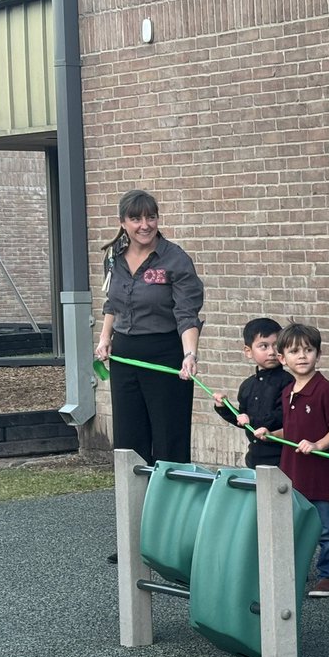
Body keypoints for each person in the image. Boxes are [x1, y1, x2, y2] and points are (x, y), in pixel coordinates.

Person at [95, 189, 204, 466]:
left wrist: (190, 355)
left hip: (165, 353)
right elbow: (112, 302)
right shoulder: (113, 257)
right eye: (136, 219)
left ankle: (171, 506)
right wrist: (105, 337)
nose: (145, 225)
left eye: (151, 217)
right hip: (125, 354)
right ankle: (135, 506)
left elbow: (187, 312)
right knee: (129, 438)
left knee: (169, 437)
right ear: (123, 222)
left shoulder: (175, 259)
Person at [257, 323, 329, 598]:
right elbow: (293, 429)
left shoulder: (325, 389)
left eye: (308, 350)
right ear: (283, 358)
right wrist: (272, 435)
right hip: (293, 471)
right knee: (294, 524)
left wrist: (318, 444)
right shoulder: (288, 392)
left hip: (320, 472)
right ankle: (295, 570)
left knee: (325, 527)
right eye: (295, 351)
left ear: (317, 354)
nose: (302, 356)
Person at [211, 317, 291, 468]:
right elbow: (242, 420)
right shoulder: (247, 386)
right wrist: (223, 407)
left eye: (276, 346)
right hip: (254, 457)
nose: (272, 352)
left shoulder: (288, 382)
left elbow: (283, 415)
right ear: (248, 351)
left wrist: (251, 420)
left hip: (280, 457)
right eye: (264, 346)